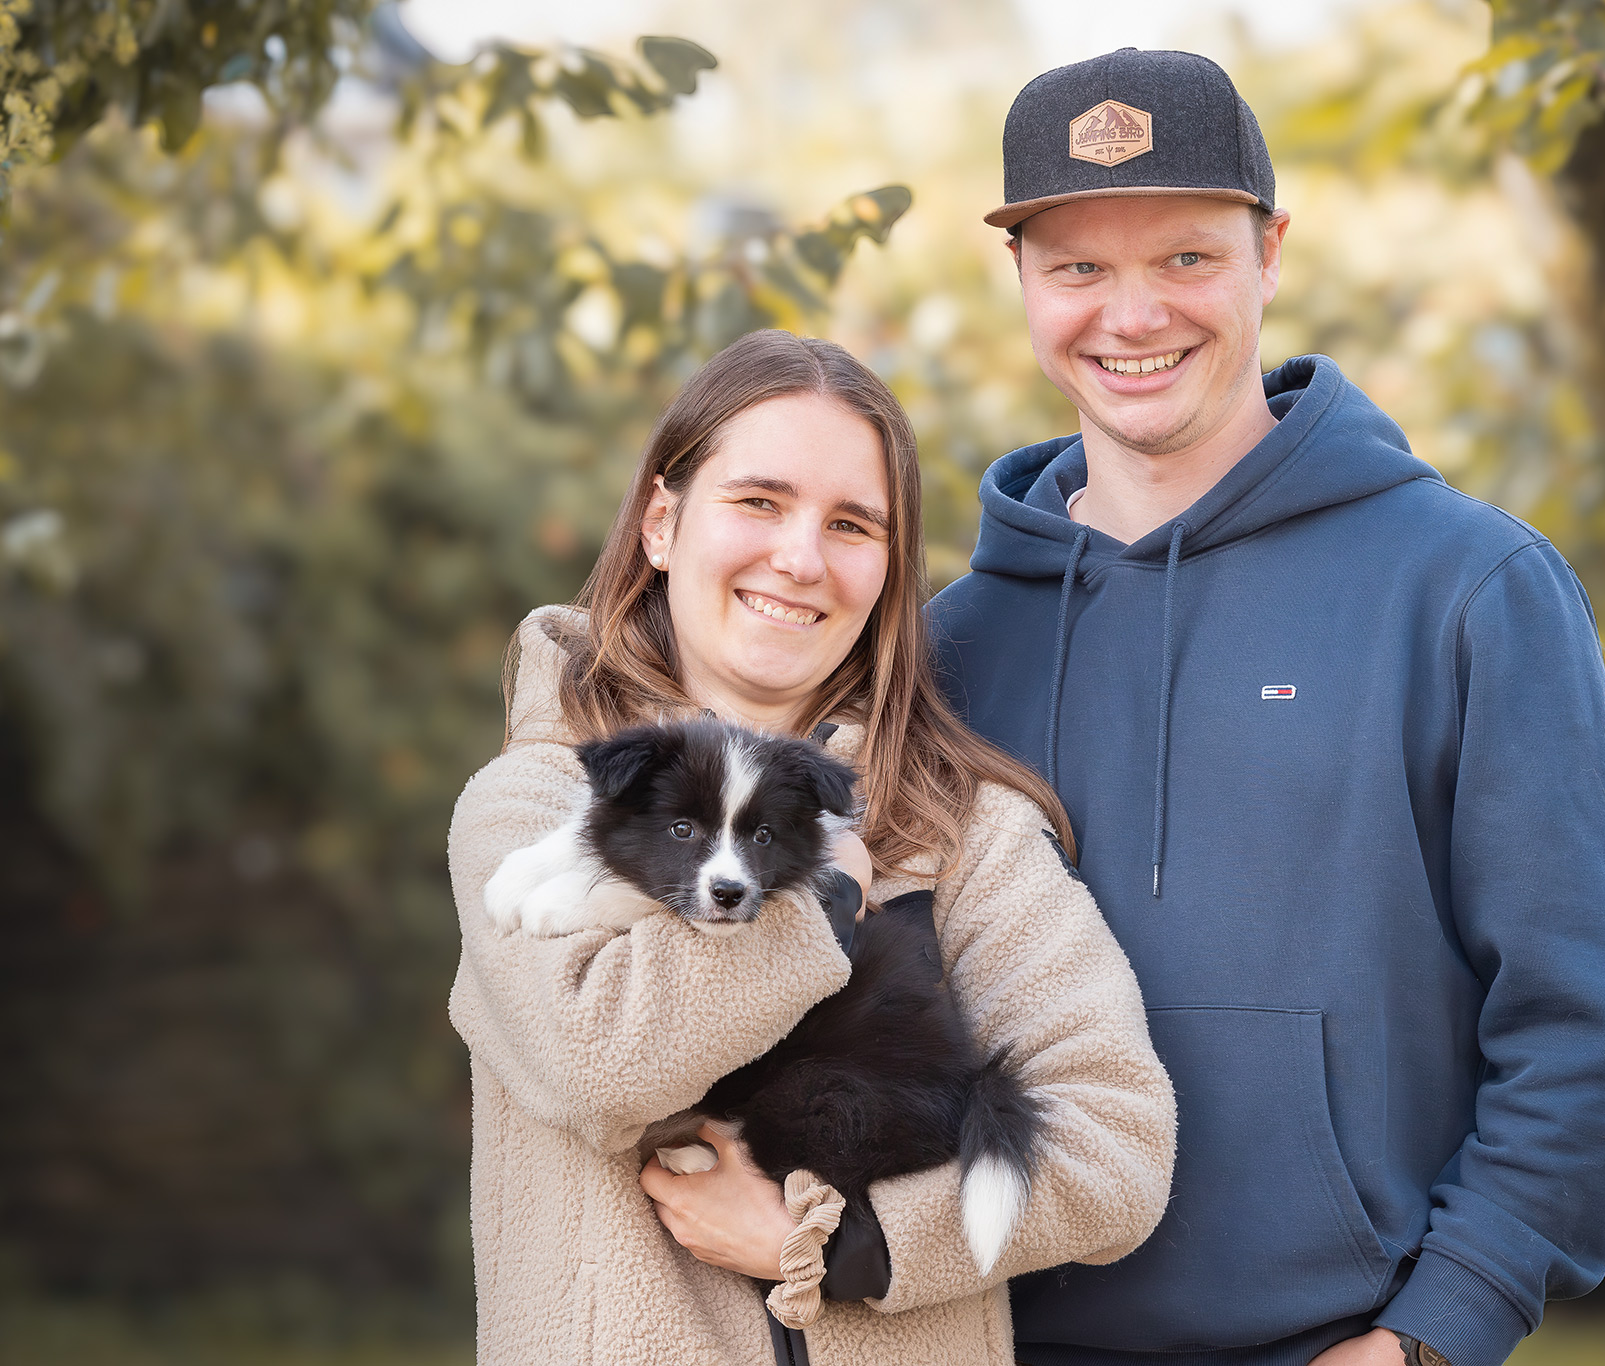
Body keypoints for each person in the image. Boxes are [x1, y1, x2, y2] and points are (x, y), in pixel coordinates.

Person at [927, 49, 1605, 1366]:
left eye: (1186, 258)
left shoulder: (1468, 586)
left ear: (1270, 253)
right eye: (1078, 267)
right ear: (1024, 284)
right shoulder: (947, 643)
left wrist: (1437, 1328)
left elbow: (1580, 1025)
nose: (1131, 312)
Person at [446, 330, 1175, 1365]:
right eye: (757, 500)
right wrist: (819, 902)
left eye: (851, 524)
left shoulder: (959, 831)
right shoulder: (535, 800)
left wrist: (845, 1245)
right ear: (662, 520)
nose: (799, 557)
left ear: (886, 569)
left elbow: (1117, 1148)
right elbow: (602, 1065)